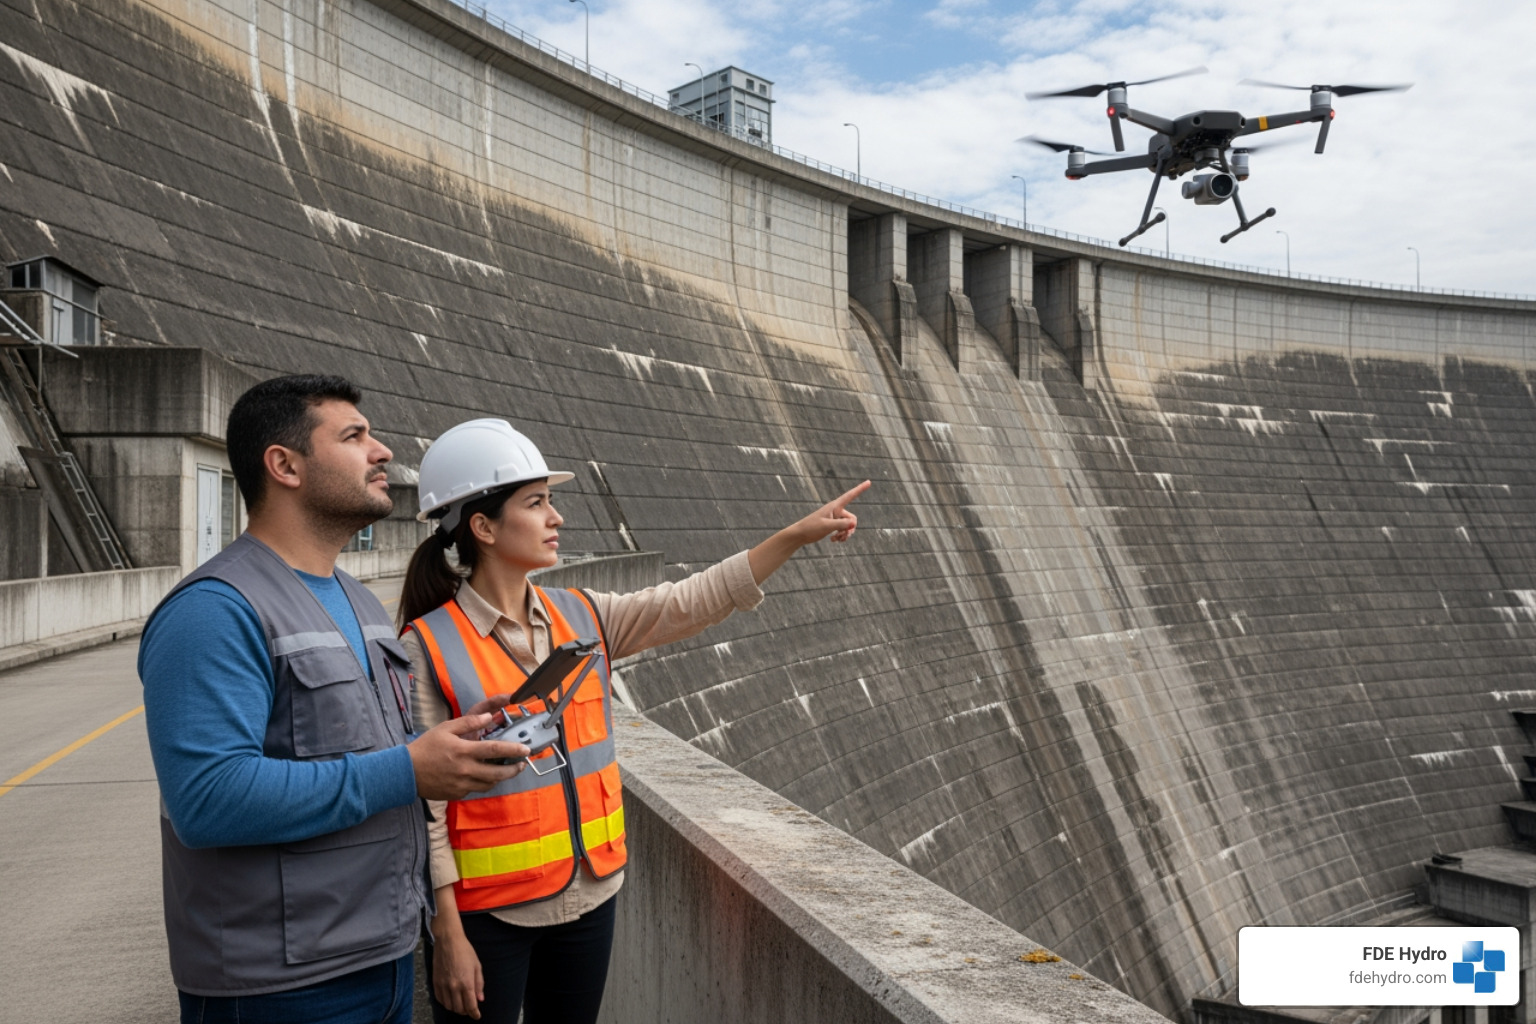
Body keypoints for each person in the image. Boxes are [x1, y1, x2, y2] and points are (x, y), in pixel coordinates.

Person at [397, 418, 870, 1024]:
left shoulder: (584, 615)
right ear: (484, 527)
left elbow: (691, 601)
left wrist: (791, 538)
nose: (556, 517)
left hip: (591, 898)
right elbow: (426, 805)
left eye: (552, 501)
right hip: (491, 916)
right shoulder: (427, 644)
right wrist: (447, 934)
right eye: (537, 503)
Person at [140, 376, 535, 1024]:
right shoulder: (213, 612)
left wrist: (450, 744)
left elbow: (366, 752)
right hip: (276, 986)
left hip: (383, 958)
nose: (381, 451)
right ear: (284, 465)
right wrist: (407, 770)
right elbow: (207, 800)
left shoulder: (358, 603)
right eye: (355, 436)